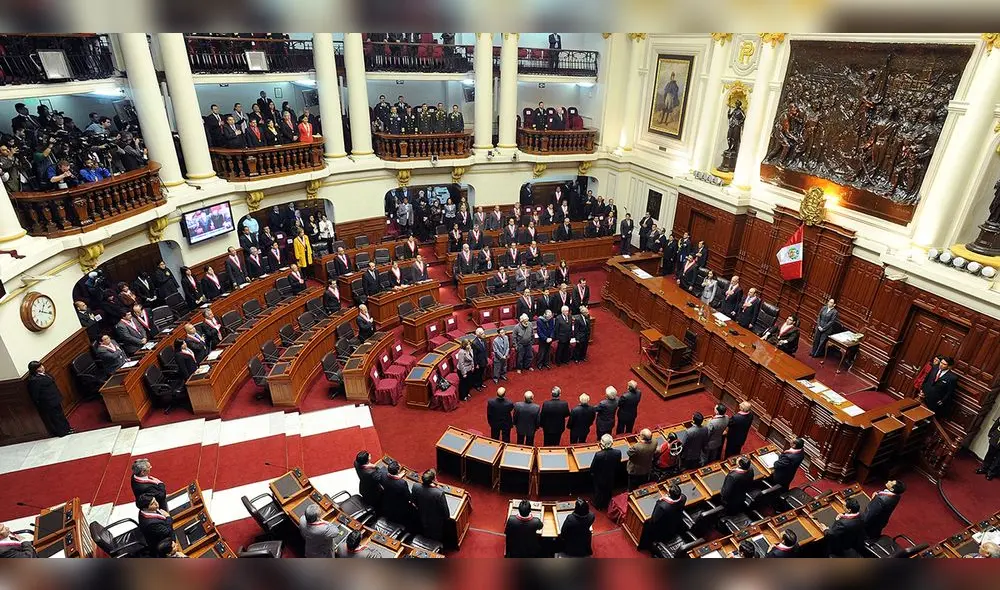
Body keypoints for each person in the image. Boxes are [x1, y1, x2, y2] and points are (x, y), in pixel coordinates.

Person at [26, 361, 71, 437]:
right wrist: (41, 403)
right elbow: (35, 394)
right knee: (55, 417)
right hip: (48, 402)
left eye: (41, 365)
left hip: (55, 398)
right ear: (35, 369)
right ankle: (62, 432)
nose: (42, 367)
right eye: (39, 367)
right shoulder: (34, 380)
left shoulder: (45, 374)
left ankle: (67, 428)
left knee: (61, 415)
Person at [412, 469, 450, 545]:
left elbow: (414, 502)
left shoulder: (416, 486)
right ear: (434, 480)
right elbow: (446, 513)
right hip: (435, 522)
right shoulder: (438, 493)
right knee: (435, 538)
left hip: (421, 516)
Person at [645, 484, 686, 549]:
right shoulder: (683, 497)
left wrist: (660, 500)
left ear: (669, 494)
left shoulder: (662, 506)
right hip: (674, 525)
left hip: (662, 530)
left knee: (646, 524)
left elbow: (654, 519)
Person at [591, 434, 622, 510]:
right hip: (611, 475)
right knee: (608, 489)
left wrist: (593, 473)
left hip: (599, 476)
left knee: (599, 491)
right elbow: (618, 464)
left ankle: (598, 505)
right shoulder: (618, 452)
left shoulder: (599, 455)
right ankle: (607, 503)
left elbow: (593, 467)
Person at [381, 459, 413, 528]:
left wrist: (398, 477)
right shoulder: (402, 483)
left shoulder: (383, 474)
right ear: (398, 470)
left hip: (387, 500)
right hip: (400, 505)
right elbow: (408, 496)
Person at [979, 416, 1000, 480]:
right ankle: (984, 468)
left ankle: (991, 472)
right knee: (989, 454)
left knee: (998, 460)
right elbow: (996, 424)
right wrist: (990, 434)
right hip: (996, 437)